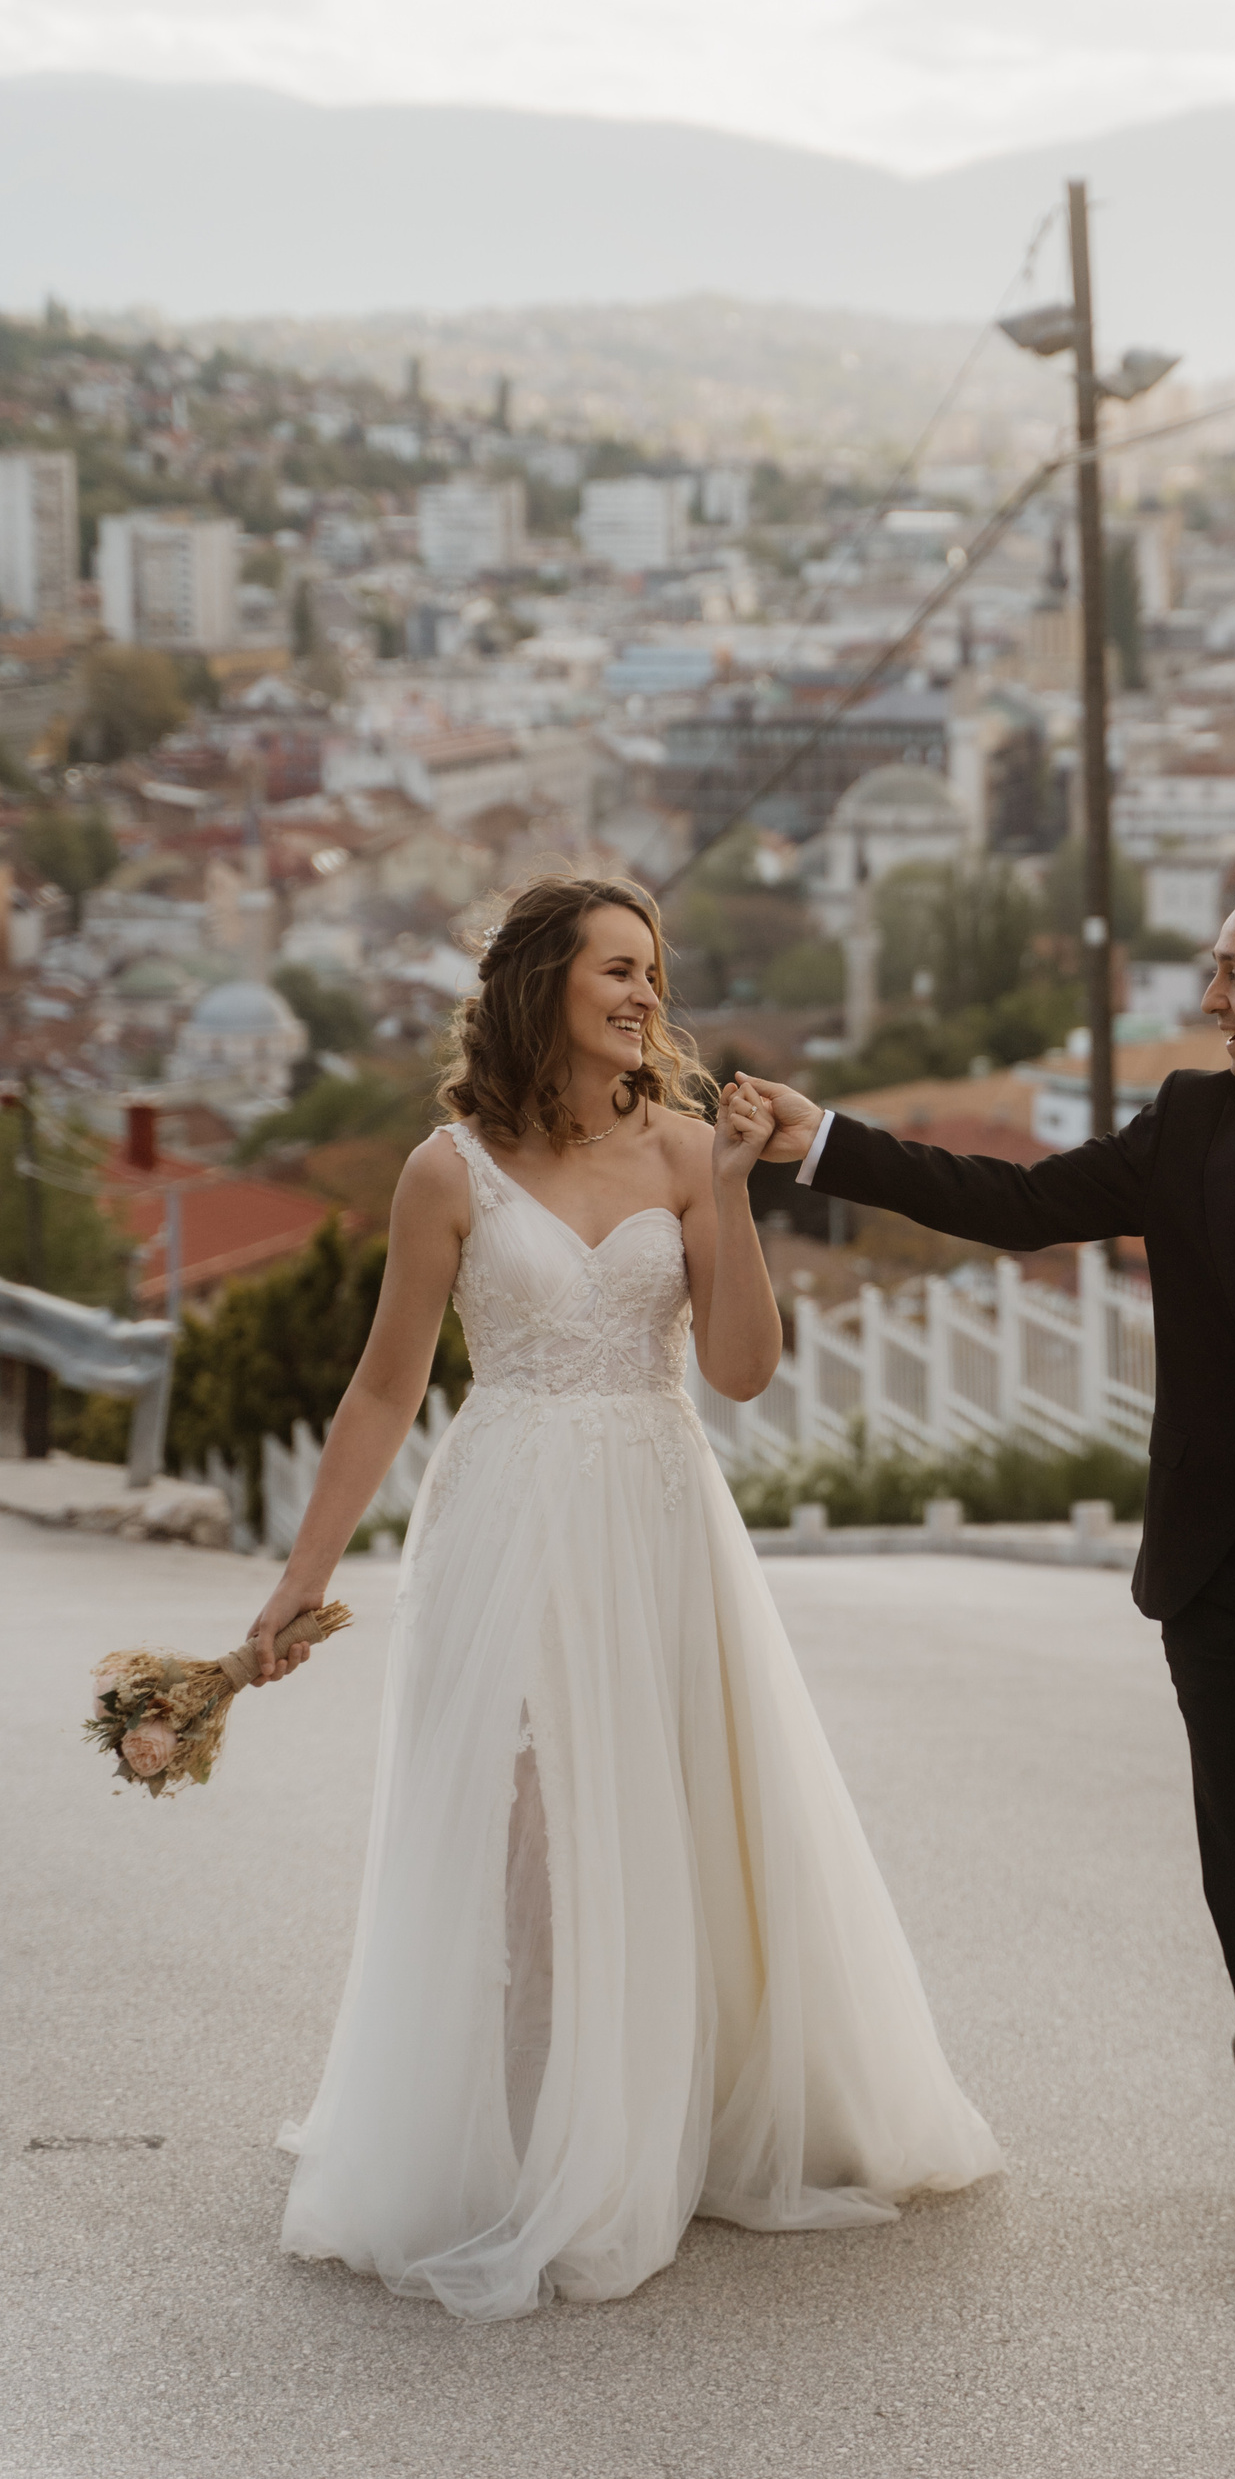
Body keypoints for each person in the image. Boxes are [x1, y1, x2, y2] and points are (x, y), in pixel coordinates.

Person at [742, 867, 1235, 2316]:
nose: (1210, 997)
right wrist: (825, 1142)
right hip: (1219, 1573)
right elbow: (1016, 1203)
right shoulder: (1190, 1123)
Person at [247, 874, 999, 2320]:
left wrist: (735, 1192)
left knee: (670, 1803)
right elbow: (384, 1390)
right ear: (543, 984)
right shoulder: (446, 1171)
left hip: (657, 1511)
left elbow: (741, 1371)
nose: (646, 993)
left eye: (653, 969)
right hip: (507, 1516)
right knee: (526, 1819)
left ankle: (668, 2111)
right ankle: (535, 2128)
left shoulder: (683, 1150)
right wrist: (301, 1580)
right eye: (616, 968)